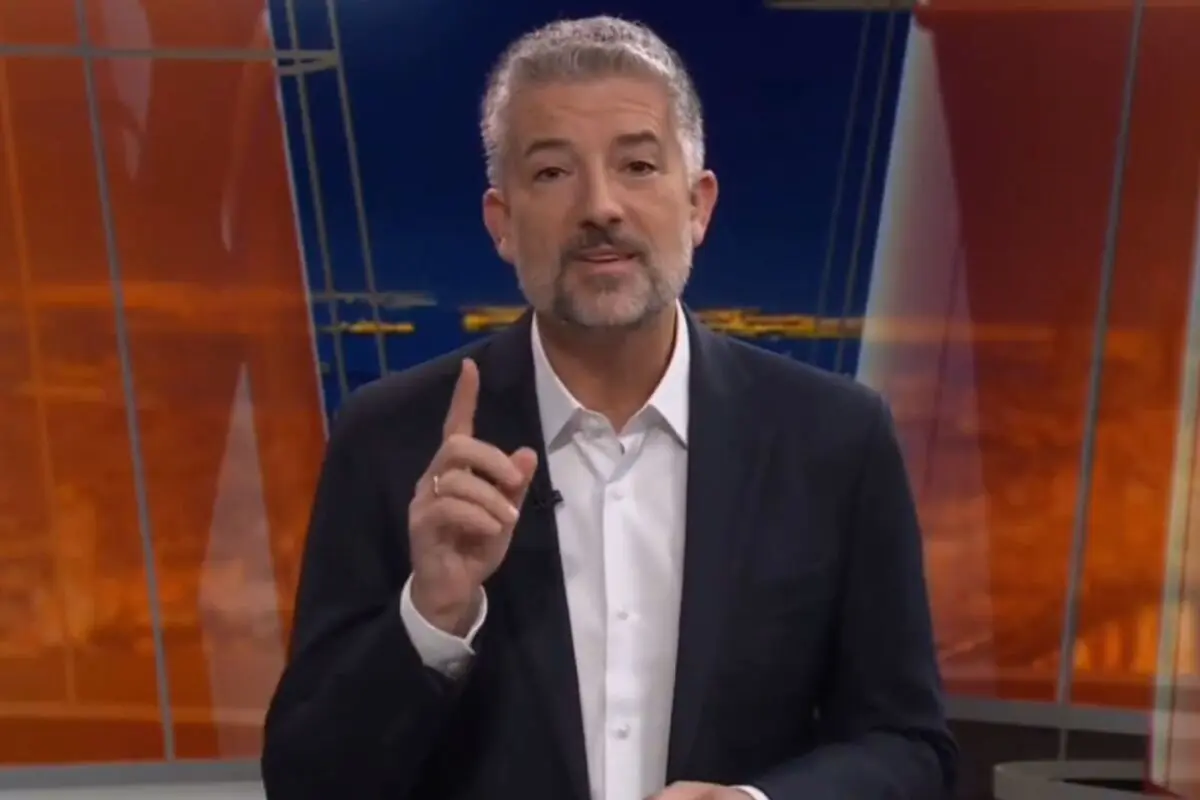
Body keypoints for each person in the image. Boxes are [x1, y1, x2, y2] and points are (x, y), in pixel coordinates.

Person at [261, 15, 956, 800]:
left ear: (698, 205)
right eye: (553, 173)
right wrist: (433, 614)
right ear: (501, 222)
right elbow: (306, 781)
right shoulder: (392, 441)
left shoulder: (835, 440)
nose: (601, 207)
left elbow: (910, 746)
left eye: (636, 165)